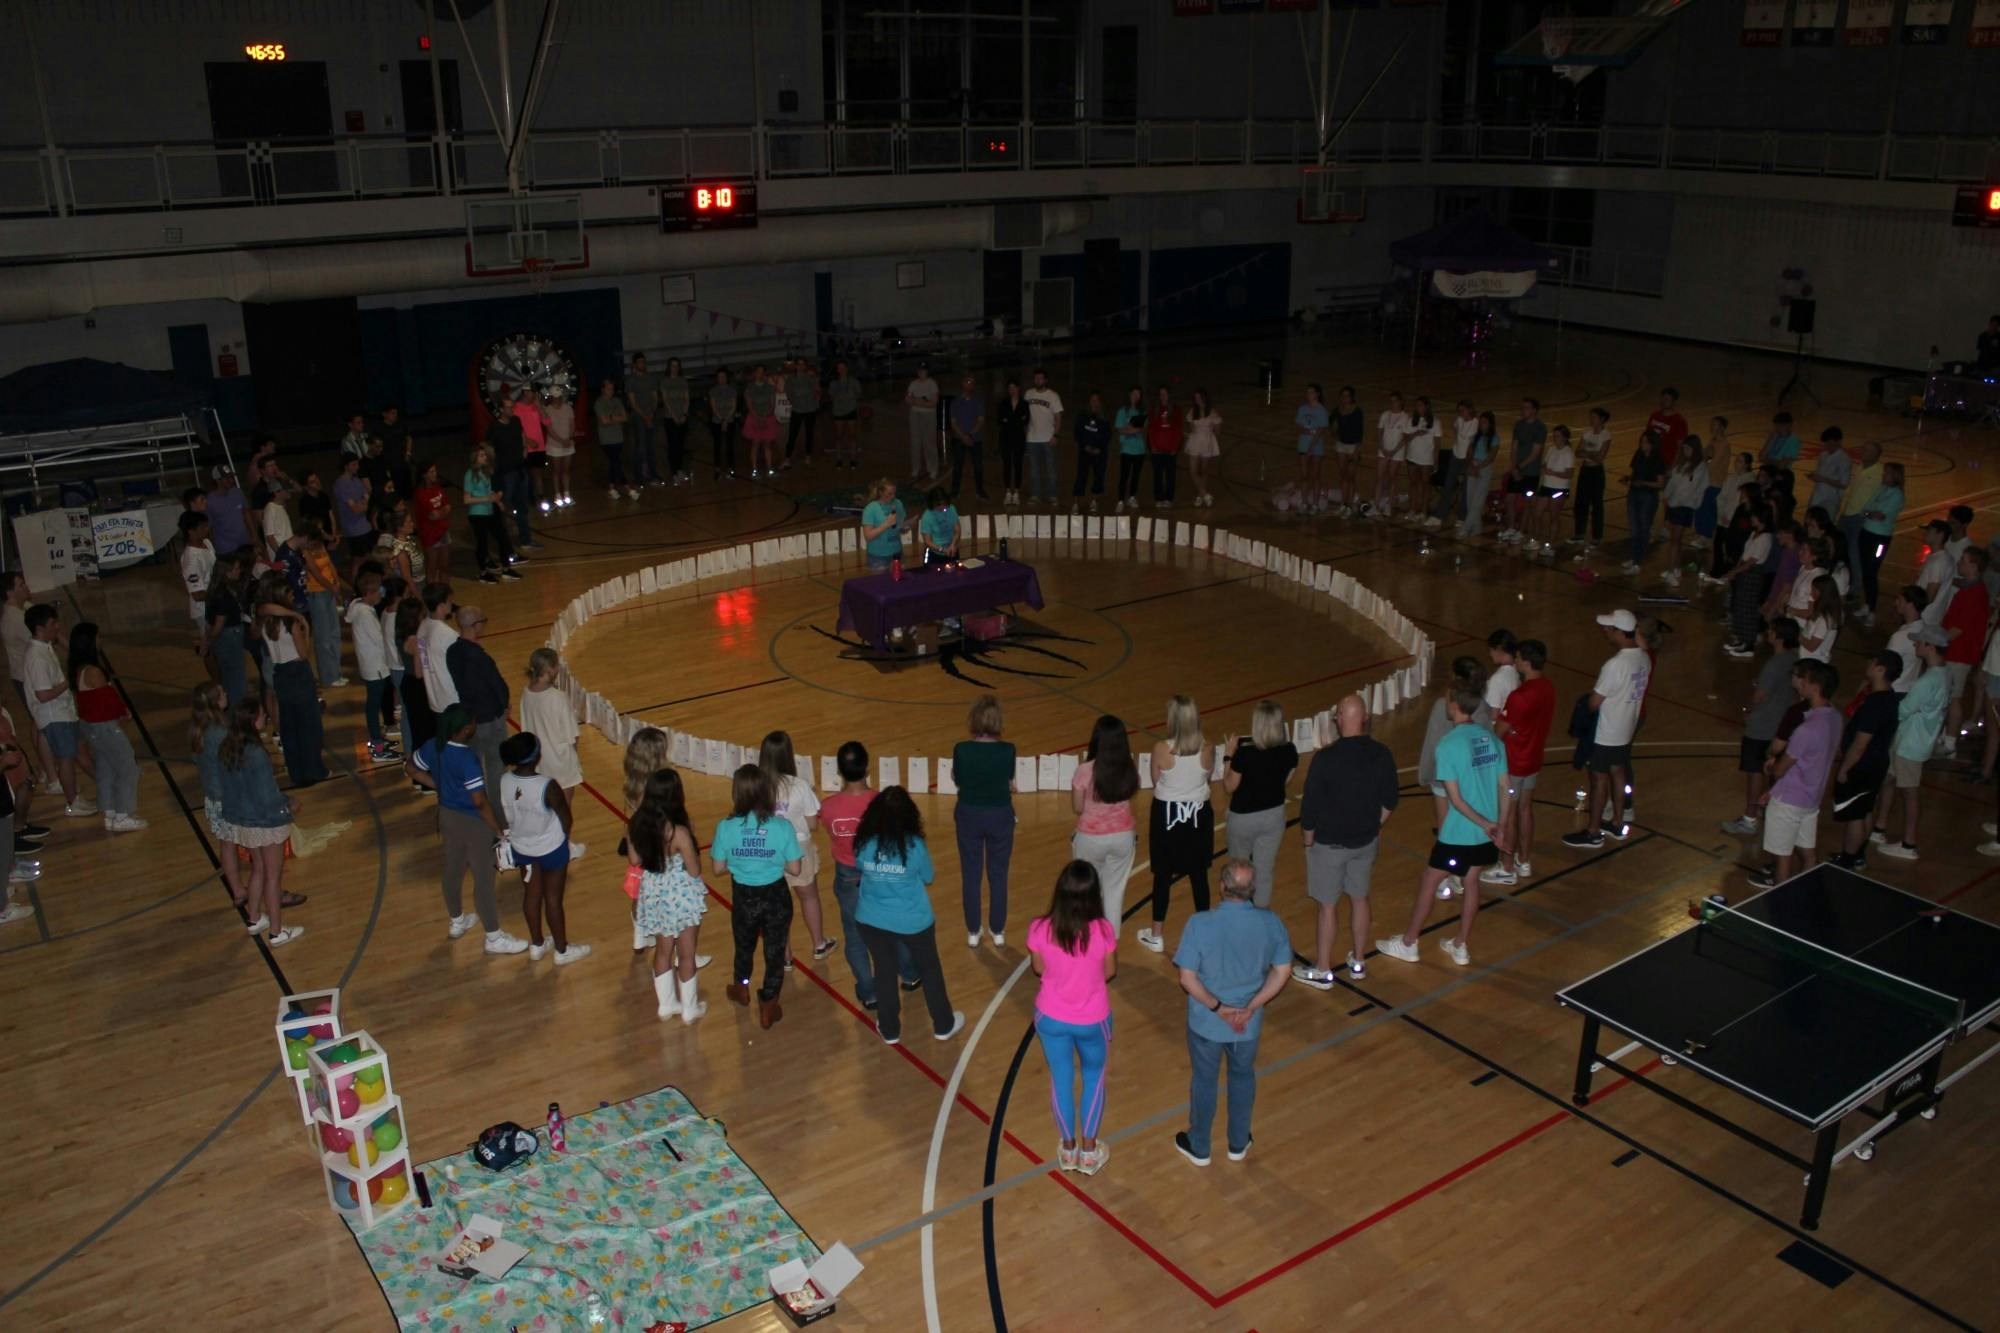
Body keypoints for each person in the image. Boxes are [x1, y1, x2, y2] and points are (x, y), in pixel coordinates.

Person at [1171, 858, 1290, 1167]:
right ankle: (1238, 1142)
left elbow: (1187, 978)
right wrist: (1250, 1006)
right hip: (1247, 1026)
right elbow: (1282, 970)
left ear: (1221, 887)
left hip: (1207, 1024)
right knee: (1242, 1077)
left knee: (1205, 1080)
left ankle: (1200, 1145)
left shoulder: (1199, 924)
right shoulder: (1270, 922)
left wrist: (1219, 1008)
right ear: (1252, 890)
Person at [1379, 685, 1504, 967]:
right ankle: (1460, 945)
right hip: (1487, 832)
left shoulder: (1448, 745)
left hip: (1459, 833)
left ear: (1454, 706)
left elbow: (1455, 800)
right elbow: (1505, 787)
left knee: (1430, 880)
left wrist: (1485, 824)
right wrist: (1500, 826)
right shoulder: (1492, 739)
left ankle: (1409, 942)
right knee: (1471, 881)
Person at [1295, 694, 1397, 987]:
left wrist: (1308, 843)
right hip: (1365, 843)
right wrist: (1373, 825)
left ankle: (1324, 969)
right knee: (1360, 898)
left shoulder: (1326, 758)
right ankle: (1359, 961)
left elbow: (1309, 810)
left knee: (1328, 906)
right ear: (1364, 718)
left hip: (1329, 845)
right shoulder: (1382, 754)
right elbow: (1390, 800)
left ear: (1340, 719)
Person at [408, 704, 527, 953]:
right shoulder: (467, 759)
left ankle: (456, 921)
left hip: (447, 817)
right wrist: (497, 830)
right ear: (464, 730)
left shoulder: (433, 745)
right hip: (473, 823)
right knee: (484, 879)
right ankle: (494, 938)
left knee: (453, 869)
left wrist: (438, 786)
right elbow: (479, 801)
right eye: (472, 724)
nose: (474, 726)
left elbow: (411, 768)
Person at [854, 785, 964, 1044]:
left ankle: (890, 1030)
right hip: (913, 921)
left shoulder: (864, 843)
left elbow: (861, 866)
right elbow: (928, 876)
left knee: (884, 970)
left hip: (871, 919)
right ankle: (943, 1025)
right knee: (930, 969)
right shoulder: (914, 846)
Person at [1029, 860, 1118, 1174]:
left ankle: (1068, 1150)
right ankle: (1090, 1152)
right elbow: (1109, 971)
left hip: (1051, 1018)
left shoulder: (1040, 928)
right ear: (1095, 895)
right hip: (1093, 1020)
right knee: (1094, 1078)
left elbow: (1039, 968)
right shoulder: (1103, 931)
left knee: (1061, 1079)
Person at [821, 741, 918, 1009]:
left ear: (839, 771)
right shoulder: (883, 802)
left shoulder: (827, 807)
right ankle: (909, 975)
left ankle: (869, 991)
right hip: (882, 873)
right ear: (867, 767)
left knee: (855, 936)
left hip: (848, 876)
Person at [713, 764, 803, 1028]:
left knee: (744, 946)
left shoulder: (726, 827)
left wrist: (740, 861)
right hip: (775, 896)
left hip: (744, 898)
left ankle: (742, 987)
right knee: (774, 952)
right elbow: (795, 868)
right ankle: (769, 1003)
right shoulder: (782, 827)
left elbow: (718, 868)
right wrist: (773, 860)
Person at [216, 697, 303, 945]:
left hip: (243, 821)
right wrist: (290, 805)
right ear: (254, 720)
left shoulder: (227, 746)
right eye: (263, 715)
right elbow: (268, 797)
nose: (265, 717)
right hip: (265, 822)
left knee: (258, 869)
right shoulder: (256, 754)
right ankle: (276, 931)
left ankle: (254, 918)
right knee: (273, 877)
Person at [1747, 659, 1841, 886]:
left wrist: (1772, 767)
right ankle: (1808, 891)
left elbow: (1780, 770)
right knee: (1808, 853)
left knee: (1783, 857)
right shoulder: (1835, 719)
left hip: (1789, 801)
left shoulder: (1805, 730)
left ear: (1815, 687)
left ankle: (1781, 901)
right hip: (1811, 800)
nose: (1801, 684)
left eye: (1806, 681)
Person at [1562, 610, 1650, 848]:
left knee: (1598, 778)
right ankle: (1617, 821)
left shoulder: (1615, 665)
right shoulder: (1644, 658)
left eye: (1610, 628)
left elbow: (1594, 702)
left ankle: (1593, 831)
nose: (1606, 631)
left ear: (1621, 632)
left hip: (1607, 731)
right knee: (1618, 772)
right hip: (1626, 727)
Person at [499, 733, 589, 964]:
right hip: (551, 849)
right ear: (536, 756)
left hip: (522, 847)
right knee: (552, 898)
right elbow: (566, 819)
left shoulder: (505, 780)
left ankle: (537, 944)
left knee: (531, 894)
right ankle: (562, 950)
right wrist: (562, 840)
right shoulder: (547, 786)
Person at [631, 767, 708, 1022]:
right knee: (686, 953)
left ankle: (666, 1004)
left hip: (653, 893)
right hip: (681, 895)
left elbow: (634, 859)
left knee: (663, 950)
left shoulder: (636, 823)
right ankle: (690, 1008)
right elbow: (695, 870)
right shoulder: (678, 832)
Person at [1139, 694, 1215, 954]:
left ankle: (1157, 935)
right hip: (1198, 815)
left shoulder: (1162, 749)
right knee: (1199, 875)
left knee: (1162, 874)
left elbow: (1155, 779)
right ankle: (1205, 934)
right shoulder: (1208, 747)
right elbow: (1207, 776)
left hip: (1167, 816)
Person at [1874, 626, 1952, 861]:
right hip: (1914, 741)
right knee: (1889, 780)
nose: (1915, 645)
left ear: (1930, 646)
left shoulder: (1927, 681)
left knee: (1909, 793)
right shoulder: (1945, 673)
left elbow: (1904, 710)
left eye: (1919, 642)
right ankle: (1879, 827)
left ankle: (1909, 844)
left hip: (1910, 744)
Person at [63, 623, 145, 834]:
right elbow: (109, 700)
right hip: (105, 727)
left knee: (106, 768)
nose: (101, 640)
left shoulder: (78, 670)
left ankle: (109, 812)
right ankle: (123, 815)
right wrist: (123, 712)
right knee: (128, 767)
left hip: (90, 726)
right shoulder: (93, 671)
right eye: (98, 637)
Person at [1723, 618, 1801, 836]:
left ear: (1778, 636)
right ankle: (1771, 809)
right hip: (1781, 726)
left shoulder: (1774, 664)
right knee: (1774, 770)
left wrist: (1747, 710)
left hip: (1762, 726)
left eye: (1771, 631)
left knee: (1754, 771)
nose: (1768, 633)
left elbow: (1759, 696)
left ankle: (1750, 818)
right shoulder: (1794, 660)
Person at [760, 729, 832, 964]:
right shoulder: (800, 786)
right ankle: (819, 944)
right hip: (799, 849)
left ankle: (785, 956)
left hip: (770, 851)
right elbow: (812, 825)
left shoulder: (758, 786)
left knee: (778, 906)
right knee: (809, 897)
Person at [1826, 653, 1903, 870]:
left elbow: (1860, 743)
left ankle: (1848, 860)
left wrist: (1845, 768)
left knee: (1855, 815)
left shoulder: (1875, 704)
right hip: (1877, 763)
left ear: (1880, 669)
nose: (1868, 664)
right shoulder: (1889, 697)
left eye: (1872, 661)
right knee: (1866, 809)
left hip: (1862, 766)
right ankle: (1858, 854)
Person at [952, 692, 1017, 948]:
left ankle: (973, 930)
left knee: (971, 873)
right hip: (1000, 815)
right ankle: (998, 929)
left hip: (969, 813)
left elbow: (958, 779)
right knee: (998, 874)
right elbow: (1008, 779)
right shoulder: (1008, 750)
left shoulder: (962, 749)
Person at [1222, 700, 1297, 909]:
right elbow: (1286, 781)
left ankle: (1239, 912)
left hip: (1243, 818)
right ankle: (1261, 914)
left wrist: (1228, 755)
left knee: (1238, 870)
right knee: (1264, 870)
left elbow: (1229, 786)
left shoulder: (1244, 754)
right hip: (1274, 816)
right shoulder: (1290, 750)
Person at [1490, 639, 1554, 884]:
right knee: (1526, 809)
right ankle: (1523, 861)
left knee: (1509, 813)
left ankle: (1506, 867)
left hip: (1515, 760)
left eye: (1517, 658)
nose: (1514, 662)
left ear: (1526, 663)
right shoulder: (1548, 687)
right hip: (1534, 757)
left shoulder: (1519, 696)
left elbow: (1499, 730)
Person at [255, 582, 328, 786]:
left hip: (280, 673)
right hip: (298, 672)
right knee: (309, 725)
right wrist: (305, 629)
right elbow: (303, 654)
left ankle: (296, 772)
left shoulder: (265, 622)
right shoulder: (291, 623)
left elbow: (263, 608)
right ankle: (314, 770)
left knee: (289, 726)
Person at [1070, 715, 1139, 929]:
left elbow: (1078, 807)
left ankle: (1086, 938)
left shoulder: (1085, 770)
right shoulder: (1129, 767)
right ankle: (1109, 944)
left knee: (1085, 892)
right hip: (1123, 837)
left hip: (1091, 838)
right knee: (1114, 893)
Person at [446, 605, 510, 799]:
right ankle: (500, 818)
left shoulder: (452, 651)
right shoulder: (479, 657)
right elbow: (497, 686)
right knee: (496, 770)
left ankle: (475, 807)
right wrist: (505, 706)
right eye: (483, 621)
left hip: (470, 718)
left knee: (473, 768)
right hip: (490, 720)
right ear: (475, 626)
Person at [1938, 547, 1991, 756]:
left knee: (1954, 698)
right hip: (1957, 652)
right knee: (1949, 696)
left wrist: (1937, 642)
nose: (1960, 562)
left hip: (1959, 654)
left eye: (1964, 560)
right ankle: (1945, 736)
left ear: (1974, 566)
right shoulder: (1971, 590)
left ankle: (1950, 743)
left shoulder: (1974, 595)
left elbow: (1957, 629)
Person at [519, 648, 581, 821]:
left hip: (539, 760)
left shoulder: (526, 693)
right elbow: (573, 734)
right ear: (550, 670)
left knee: (546, 807)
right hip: (560, 761)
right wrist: (574, 759)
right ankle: (565, 845)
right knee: (564, 810)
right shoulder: (558, 697)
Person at [345, 572, 396, 764]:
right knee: (373, 707)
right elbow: (379, 640)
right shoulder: (365, 614)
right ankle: (377, 747)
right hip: (375, 666)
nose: (382, 595)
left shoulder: (359, 607)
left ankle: (378, 741)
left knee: (373, 707)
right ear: (370, 592)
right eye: (379, 591)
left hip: (370, 664)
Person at [1852, 460, 1903, 626]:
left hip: (1880, 538)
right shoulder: (1881, 489)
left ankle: (1873, 611)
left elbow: (1881, 515)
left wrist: (1870, 513)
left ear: (1895, 476)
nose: (1883, 475)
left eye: (1887, 473)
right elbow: (1865, 509)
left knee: (1872, 571)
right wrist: (1870, 513)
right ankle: (1867, 605)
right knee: (1866, 571)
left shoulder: (1897, 495)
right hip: (1866, 533)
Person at [462, 445, 520, 583]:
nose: (485, 457)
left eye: (485, 455)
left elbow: (488, 491)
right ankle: (482, 572)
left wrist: (496, 501)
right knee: (482, 544)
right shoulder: (470, 474)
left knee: (502, 538)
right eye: (481, 455)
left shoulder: (485, 472)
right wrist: (486, 499)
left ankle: (506, 568)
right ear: (475, 458)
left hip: (490, 511)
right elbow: (466, 499)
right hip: (478, 514)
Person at [488, 390, 537, 550]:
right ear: (501, 409)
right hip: (505, 473)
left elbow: (521, 436)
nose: (511, 410)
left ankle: (526, 540)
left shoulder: (516, 421)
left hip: (520, 470)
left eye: (512, 407)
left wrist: (524, 449)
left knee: (522, 506)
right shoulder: (494, 428)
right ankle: (504, 542)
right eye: (508, 407)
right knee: (505, 507)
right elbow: (488, 449)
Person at [1659, 436, 1709, 586]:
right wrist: (1667, 496)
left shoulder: (1700, 467)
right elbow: (1673, 482)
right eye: (1684, 448)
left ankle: (1671, 569)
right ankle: (1675, 569)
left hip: (1684, 506)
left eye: (1688, 448)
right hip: (1674, 505)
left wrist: (1692, 502)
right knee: (1675, 539)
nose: (1686, 451)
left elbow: (1700, 488)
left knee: (1675, 540)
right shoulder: (1680, 465)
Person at [1620, 428, 1667, 575]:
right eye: (1642, 441)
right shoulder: (1638, 455)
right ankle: (1634, 557)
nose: (1642, 444)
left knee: (1644, 528)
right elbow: (1634, 473)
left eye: (1646, 442)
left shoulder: (1658, 459)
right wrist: (1628, 479)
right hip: (1634, 493)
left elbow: (1660, 484)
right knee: (1634, 529)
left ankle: (1638, 561)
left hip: (1648, 497)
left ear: (1652, 444)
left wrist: (1644, 483)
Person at [1500, 397, 1545, 543]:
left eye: (1526, 408)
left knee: (1527, 501)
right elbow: (1514, 447)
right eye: (1522, 408)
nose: (1523, 411)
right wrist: (1513, 467)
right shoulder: (1518, 425)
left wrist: (1520, 467)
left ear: (1534, 410)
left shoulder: (1540, 428)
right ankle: (1511, 527)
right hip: (1516, 469)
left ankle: (1521, 531)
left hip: (1531, 471)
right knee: (1509, 498)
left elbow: (1535, 453)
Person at [1430, 399, 1477, 529]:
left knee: (1465, 490)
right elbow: (1455, 428)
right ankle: (1439, 515)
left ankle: (1462, 517)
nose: (1461, 413)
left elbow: (1473, 443)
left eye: (1463, 410)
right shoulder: (1459, 420)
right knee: (1448, 486)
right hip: (1456, 456)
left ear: (1470, 410)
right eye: (1459, 411)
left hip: (1467, 459)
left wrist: (1469, 461)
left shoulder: (1475, 424)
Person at [1570, 406, 1611, 548]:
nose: (1591, 420)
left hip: (1596, 472)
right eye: (1590, 417)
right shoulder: (1586, 433)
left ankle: (1596, 537)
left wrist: (1586, 453)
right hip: (1585, 470)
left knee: (1597, 504)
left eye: (1594, 417)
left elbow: (1600, 458)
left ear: (1601, 419)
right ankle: (1579, 534)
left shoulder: (1605, 435)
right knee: (1580, 503)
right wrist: (1591, 454)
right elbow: (1577, 452)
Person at [1530, 424, 1573, 557]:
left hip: (1559, 488)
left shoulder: (1568, 453)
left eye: (1558, 436)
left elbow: (1569, 474)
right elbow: (1544, 464)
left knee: (1554, 516)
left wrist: (1552, 472)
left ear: (1565, 438)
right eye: (1554, 436)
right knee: (1537, 513)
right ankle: (1536, 539)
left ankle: (1550, 544)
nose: (1555, 438)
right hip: (1546, 485)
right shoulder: (1551, 449)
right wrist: (1543, 469)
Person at [1024, 367, 1064, 507]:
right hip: (1032, 439)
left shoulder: (1053, 396)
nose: (1038, 380)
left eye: (1041, 378)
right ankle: (1035, 495)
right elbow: (1024, 415)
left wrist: (1056, 435)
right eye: (1036, 378)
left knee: (1051, 469)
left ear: (1045, 380)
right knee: (1034, 469)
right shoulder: (1028, 394)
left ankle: (1052, 495)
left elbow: (1058, 417)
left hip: (1048, 439)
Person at [1458, 410, 1500, 541]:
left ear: (1490, 424)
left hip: (1484, 469)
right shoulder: (1475, 436)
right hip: (1473, 467)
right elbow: (1469, 452)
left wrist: (1479, 467)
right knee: (1470, 499)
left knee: (1478, 500)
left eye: (1485, 422)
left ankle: (1465, 527)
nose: (1482, 425)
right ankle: (1476, 528)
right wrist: (1471, 465)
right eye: (1481, 422)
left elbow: (1491, 457)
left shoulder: (1494, 438)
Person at [594, 376, 636, 500]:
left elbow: (625, 417)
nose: (611, 391)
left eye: (612, 389)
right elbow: (604, 420)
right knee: (616, 462)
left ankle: (612, 487)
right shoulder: (599, 403)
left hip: (618, 437)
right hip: (606, 439)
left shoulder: (617, 401)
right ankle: (628, 488)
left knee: (614, 463)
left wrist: (612, 417)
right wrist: (616, 417)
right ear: (603, 389)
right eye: (608, 389)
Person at [179, 512, 215, 654]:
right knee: (210, 648)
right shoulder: (191, 559)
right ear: (191, 531)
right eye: (203, 527)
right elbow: (197, 595)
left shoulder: (207, 543)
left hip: (215, 604)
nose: (207, 529)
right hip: (204, 610)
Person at [947, 374, 988, 501]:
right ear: (962, 384)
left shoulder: (978, 402)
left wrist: (970, 435)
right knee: (958, 466)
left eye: (972, 382)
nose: (969, 384)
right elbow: (953, 422)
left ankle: (980, 491)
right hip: (959, 439)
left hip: (976, 439)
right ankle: (955, 491)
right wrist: (963, 436)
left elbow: (981, 420)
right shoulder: (955, 402)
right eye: (967, 381)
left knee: (978, 466)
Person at [1070, 391, 1112, 513]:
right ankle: (1076, 504)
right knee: (1080, 477)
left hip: (1099, 454)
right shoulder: (1083, 415)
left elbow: (1107, 435)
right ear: (1089, 402)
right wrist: (1085, 446)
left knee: (1098, 477)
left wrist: (1099, 448)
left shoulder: (1104, 418)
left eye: (1097, 400)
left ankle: (1094, 502)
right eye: (1092, 400)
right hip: (1084, 452)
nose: (1094, 403)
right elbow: (1077, 433)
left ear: (1100, 402)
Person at [625, 353, 662, 488]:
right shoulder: (631, 380)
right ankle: (638, 476)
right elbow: (633, 402)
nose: (642, 364)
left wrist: (651, 413)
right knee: (640, 447)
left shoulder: (651, 378)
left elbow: (655, 397)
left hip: (650, 415)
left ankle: (653, 474)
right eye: (639, 362)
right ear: (635, 364)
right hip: (638, 417)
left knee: (651, 447)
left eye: (644, 362)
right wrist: (645, 416)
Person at [411, 462, 452, 579]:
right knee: (432, 567)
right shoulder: (420, 493)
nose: (435, 474)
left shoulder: (437, 487)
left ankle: (445, 593)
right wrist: (442, 512)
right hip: (429, 533)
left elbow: (448, 506)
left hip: (443, 530)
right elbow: (433, 514)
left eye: (435, 471)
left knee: (444, 566)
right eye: (432, 471)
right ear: (424, 474)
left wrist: (440, 513)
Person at [1146, 386, 1184, 509]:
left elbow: (1178, 430)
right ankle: (1159, 498)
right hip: (1157, 450)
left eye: (1164, 393)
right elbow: (1151, 429)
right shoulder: (1155, 409)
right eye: (1160, 394)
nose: (1162, 396)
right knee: (1157, 475)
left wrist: (1176, 447)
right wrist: (1152, 445)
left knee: (1170, 475)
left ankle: (1169, 498)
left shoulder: (1176, 410)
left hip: (1171, 450)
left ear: (1169, 395)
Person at [742, 363, 781, 479]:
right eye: (758, 372)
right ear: (755, 373)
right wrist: (757, 417)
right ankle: (754, 469)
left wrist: (765, 416)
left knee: (767, 445)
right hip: (754, 418)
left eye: (762, 372)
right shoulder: (750, 388)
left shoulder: (769, 388)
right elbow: (749, 405)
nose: (760, 374)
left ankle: (769, 468)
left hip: (767, 418)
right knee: (755, 444)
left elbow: (772, 404)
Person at [859, 478, 907, 575]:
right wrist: (885, 525)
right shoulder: (871, 509)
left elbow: (900, 527)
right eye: (889, 494)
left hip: (896, 552)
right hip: (878, 555)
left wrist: (904, 528)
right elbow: (868, 536)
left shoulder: (898, 504)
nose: (893, 496)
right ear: (881, 492)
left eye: (894, 493)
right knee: (881, 586)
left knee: (899, 584)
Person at [1184, 388, 1221, 508]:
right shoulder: (1192, 412)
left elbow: (1218, 431)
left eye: (1199, 398)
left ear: (1204, 398)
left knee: (1204, 471)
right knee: (1193, 471)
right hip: (1195, 442)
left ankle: (1200, 496)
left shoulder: (1212, 412)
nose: (1197, 400)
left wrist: (1208, 435)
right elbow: (1192, 429)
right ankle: (1205, 494)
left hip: (1207, 442)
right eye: (1195, 398)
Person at [995, 378, 1030, 506]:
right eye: (1009, 388)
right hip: (1005, 439)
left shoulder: (1024, 404)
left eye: (1013, 387)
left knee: (1018, 465)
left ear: (1018, 388)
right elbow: (1000, 420)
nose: (1011, 390)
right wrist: (1016, 420)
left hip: (1019, 439)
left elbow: (1025, 421)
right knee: (1007, 465)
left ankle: (1017, 493)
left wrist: (1009, 420)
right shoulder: (1003, 403)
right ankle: (1008, 493)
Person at [906, 362, 942, 483]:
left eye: (924, 370)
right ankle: (916, 468)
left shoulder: (932, 384)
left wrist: (919, 402)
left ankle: (933, 469)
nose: (921, 373)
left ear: (927, 372)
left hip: (929, 416)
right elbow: (908, 399)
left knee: (929, 442)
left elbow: (934, 402)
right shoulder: (913, 384)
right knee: (915, 442)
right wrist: (920, 402)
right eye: (920, 370)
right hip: (915, 415)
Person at [541, 389, 578, 508]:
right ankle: (557, 495)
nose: (558, 398)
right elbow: (549, 429)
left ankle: (567, 493)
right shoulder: (547, 410)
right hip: (554, 445)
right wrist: (562, 440)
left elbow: (572, 424)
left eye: (560, 396)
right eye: (556, 396)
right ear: (552, 397)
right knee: (556, 470)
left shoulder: (568, 408)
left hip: (568, 443)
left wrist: (569, 437)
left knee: (566, 470)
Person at [1404, 395, 1439, 520]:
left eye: (1421, 405)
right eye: (1417, 405)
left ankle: (1424, 511)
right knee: (1413, 483)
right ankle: (1413, 508)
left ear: (1427, 406)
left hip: (1426, 459)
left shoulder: (1435, 422)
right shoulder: (1410, 421)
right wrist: (1416, 433)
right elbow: (1405, 438)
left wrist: (1435, 461)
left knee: (1425, 485)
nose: (1418, 407)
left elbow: (1437, 444)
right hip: (1412, 457)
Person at [205, 467, 252, 559]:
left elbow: (246, 514)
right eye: (227, 478)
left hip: (244, 544)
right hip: (226, 548)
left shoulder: (238, 492)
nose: (231, 480)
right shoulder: (209, 501)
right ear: (218, 481)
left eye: (231, 477)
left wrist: (253, 535)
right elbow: (208, 527)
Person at [1331, 386, 1364, 517]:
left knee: (1351, 477)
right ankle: (1343, 504)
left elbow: (1360, 432)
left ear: (1352, 397)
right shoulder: (1337, 410)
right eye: (1343, 395)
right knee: (1343, 475)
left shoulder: (1357, 411)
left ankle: (1349, 505)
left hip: (1352, 446)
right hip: (1340, 445)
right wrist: (1334, 434)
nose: (1345, 398)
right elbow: (1331, 425)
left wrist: (1357, 450)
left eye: (1347, 395)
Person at [1115, 386, 1148, 512]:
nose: (1136, 397)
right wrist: (1130, 430)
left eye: (1138, 395)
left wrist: (1129, 429)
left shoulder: (1142, 412)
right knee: (1124, 475)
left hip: (1139, 449)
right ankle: (1120, 500)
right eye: (1134, 394)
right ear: (1129, 395)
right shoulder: (1122, 411)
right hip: (1126, 449)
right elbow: (1119, 429)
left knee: (1136, 475)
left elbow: (1141, 428)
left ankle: (1132, 497)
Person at [782, 357, 819, 469]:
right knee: (792, 435)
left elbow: (816, 390)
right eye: (799, 364)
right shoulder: (791, 379)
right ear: (796, 366)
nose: (801, 366)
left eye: (803, 364)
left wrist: (810, 399)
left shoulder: (811, 377)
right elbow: (788, 393)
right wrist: (795, 402)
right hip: (797, 410)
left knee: (809, 434)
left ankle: (808, 456)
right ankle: (787, 459)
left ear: (805, 366)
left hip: (810, 410)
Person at [662, 356, 694, 484]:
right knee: (673, 445)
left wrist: (684, 414)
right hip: (670, 418)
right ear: (669, 367)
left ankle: (680, 469)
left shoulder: (683, 381)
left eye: (677, 366)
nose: (674, 368)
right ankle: (674, 471)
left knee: (681, 445)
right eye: (672, 365)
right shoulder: (665, 381)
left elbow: (687, 399)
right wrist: (674, 415)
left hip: (682, 417)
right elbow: (666, 400)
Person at [827, 359, 862, 469]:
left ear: (847, 368)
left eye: (843, 367)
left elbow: (859, 395)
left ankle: (853, 459)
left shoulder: (854, 381)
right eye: (839, 368)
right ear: (837, 370)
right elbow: (830, 397)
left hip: (851, 410)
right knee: (839, 436)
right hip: (838, 411)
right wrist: (837, 397)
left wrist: (851, 397)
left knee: (852, 436)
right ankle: (839, 459)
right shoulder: (834, 383)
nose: (841, 370)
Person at [708, 366, 740, 480]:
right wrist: (721, 420)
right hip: (717, 421)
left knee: (729, 445)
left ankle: (730, 468)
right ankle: (717, 468)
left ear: (727, 378)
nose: (721, 379)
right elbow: (714, 407)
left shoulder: (732, 390)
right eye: (719, 377)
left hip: (729, 420)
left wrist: (726, 420)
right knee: (717, 445)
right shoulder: (713, 391)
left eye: (723, 377)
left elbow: (733, 406)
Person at [918, 487, 959, 564]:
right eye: (938, 506)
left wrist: (953, 545)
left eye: (944, 505)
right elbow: (928, 541)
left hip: (951, 549)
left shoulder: (951, 509)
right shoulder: (927, 516)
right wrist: (942, 549)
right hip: (935, 554)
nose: (942, 508)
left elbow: (957, 530)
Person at [1646, 387, 1689, 455]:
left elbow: (1680, 447)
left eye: (1667, 399)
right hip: (1652, 458)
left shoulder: (1679, 422)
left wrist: (1674, 464)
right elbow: (1647, 436)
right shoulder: (1654, 415)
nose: (1663, 401)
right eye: (1662, 399)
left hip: (1667, 461)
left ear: (1674, 402)